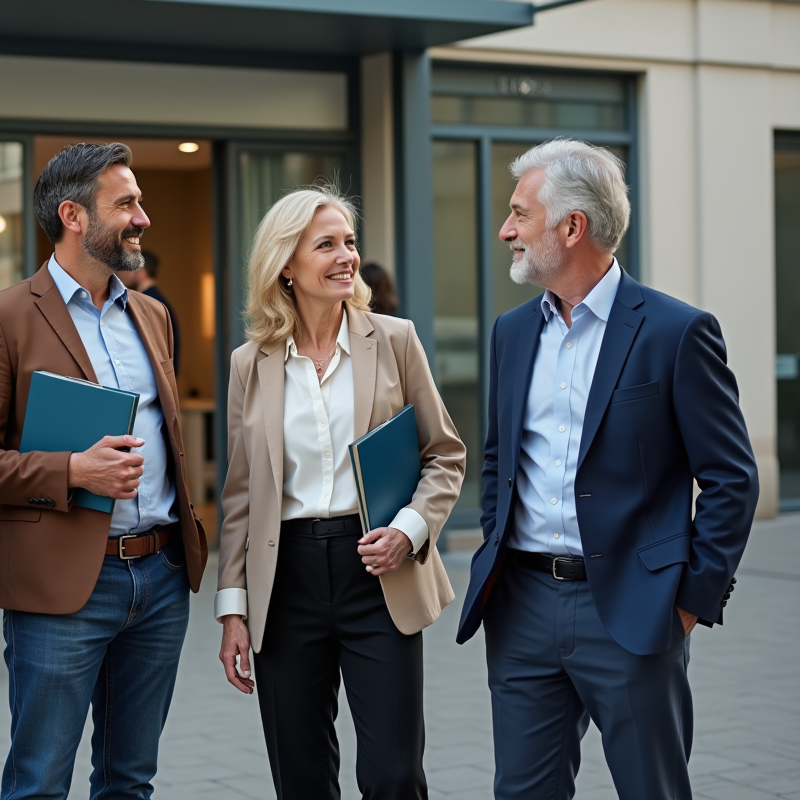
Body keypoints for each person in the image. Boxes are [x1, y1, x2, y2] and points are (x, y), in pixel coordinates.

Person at [456, 139, 758, 799]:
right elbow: (498, 460)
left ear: (572, 227)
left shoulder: (676, 332)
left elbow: (733, 477)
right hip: (523, 606)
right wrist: (497, 546)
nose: (506, 230)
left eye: (519, 215)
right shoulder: (512, 332)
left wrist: (688, 602)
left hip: (632, 609)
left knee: (652, 790)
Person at [0, 142, 207, 800]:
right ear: (74, 216)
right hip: (60, 591)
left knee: (130, 781)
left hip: (161, 578)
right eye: (127, 204)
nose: (143, 217)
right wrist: (71, 470)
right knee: (39, 784)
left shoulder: (153, 316)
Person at [216, 186, 467, 800]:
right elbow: (241, 493)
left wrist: (408, 531)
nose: (346, 256)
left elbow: (445, 455)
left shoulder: (395, 339)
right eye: (325, 244)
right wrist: (232, 608)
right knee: (300, 777)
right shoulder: (252, 362)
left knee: (393, 774)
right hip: (288, 577)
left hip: (379, 570)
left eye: (349, 242)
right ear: (286, 264)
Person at [119, 249, 182, 373]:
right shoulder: (158, 300)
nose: (124, 273)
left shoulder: (146, 303)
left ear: (141, 272)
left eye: (130, 268)